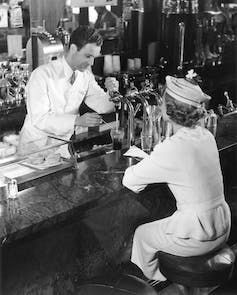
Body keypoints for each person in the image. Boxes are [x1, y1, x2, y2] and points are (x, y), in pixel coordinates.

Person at [122, 74, 231, 281]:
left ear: (168, 109)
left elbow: (130, 180)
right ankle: (177, 282)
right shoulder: (205, 135)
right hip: (222, 227)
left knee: (143, 235)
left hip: (199, 236)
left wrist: (152, 160)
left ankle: (154, 282)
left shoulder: (172, 148)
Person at [18, 26, 118, 155]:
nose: (92, 63)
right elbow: (40, 119)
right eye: (88, 56)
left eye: (94, 57)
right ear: (73, 49)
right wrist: (76, 120)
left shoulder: (85, 75)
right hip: (35, 149)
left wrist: (111, 92)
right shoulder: (41, 75)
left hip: (61, 148)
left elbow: (103, 106)